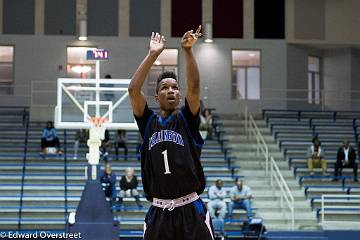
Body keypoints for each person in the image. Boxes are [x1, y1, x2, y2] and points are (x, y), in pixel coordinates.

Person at [128, 26, 214, 239]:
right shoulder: (148, 122)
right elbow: (133, 90)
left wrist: (187, 51)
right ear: (156, 97)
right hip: (159, 212)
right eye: (165, 88)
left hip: (191, 209)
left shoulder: (186, 119)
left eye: (175, 87)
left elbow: (194, 87)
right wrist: (152, 54)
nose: (171, 91)